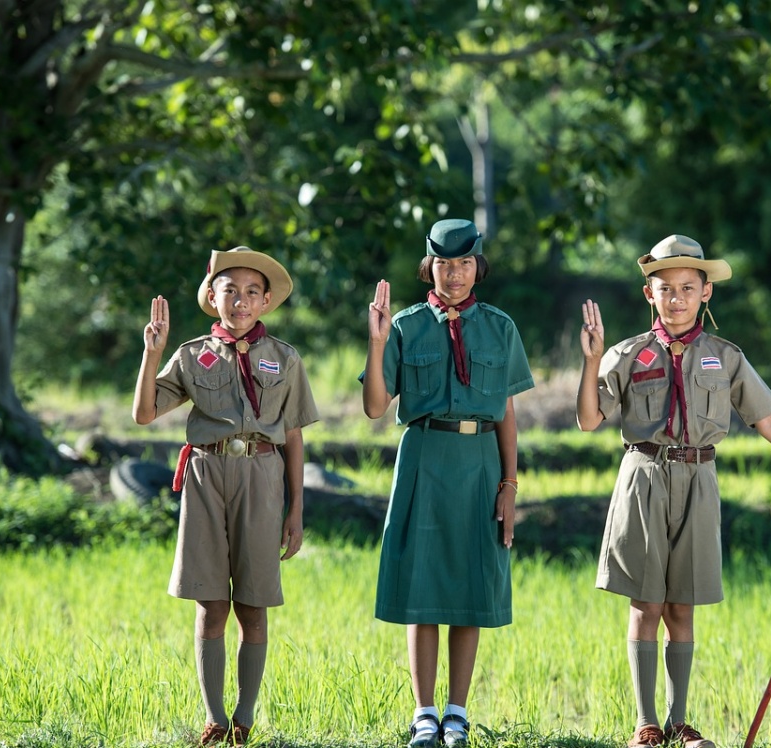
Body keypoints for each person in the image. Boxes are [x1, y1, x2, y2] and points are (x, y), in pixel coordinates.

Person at [575, 235, 771, 748]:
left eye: (688, 288)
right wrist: (591, 359)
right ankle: (646, 726)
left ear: (706, 292)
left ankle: (679, 723)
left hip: (700, 480)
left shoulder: (725, 357)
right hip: (643, 477)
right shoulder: (627, 353)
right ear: (648, 293)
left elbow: (766, 421)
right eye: (665, 288)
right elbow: (588, 419)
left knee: (682, 606)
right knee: (646, 604)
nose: (677, 298)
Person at [133, 247, 319, 745]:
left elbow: (294, 436)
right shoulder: (192, 354)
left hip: (262, 476)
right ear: (212, 298)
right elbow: (144, 414)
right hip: (206, 476)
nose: (240, 301)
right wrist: (152, 353)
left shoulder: (285, 358)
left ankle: (244, 716)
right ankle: (214, 718)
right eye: (229, 290)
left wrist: (296, 509)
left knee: (253, 607)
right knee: (211, 603)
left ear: (265, 302)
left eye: (252, 292)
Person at [362, 219, 534, 748]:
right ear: (428, 267)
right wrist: (376, 342)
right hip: (424, 456)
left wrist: (509, 484)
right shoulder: (406, 325)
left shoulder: (500, 328)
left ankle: (457, 713)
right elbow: (374, 407)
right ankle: (425, 713)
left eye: (463, 263)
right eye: (443, 263)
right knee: (422, 586)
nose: (453, 274)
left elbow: (506, 412)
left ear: (477, 266)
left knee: (469, 586)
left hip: (481, 460)